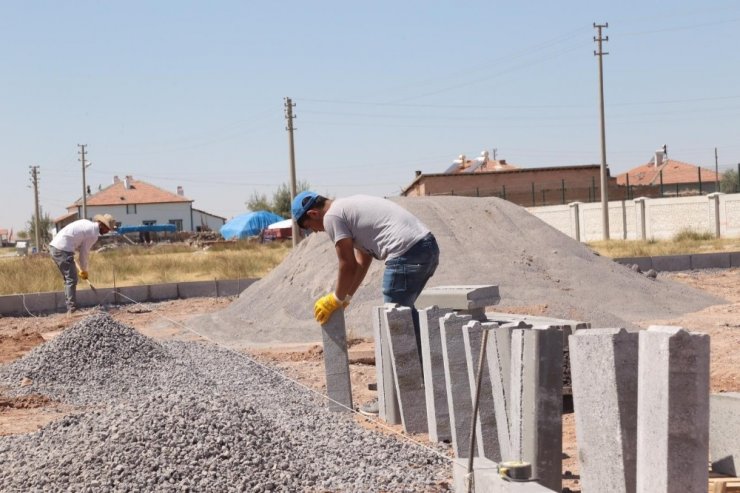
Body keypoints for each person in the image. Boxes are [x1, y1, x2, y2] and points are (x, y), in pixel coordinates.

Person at [291, 192, 439, 414]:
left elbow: (347, 264)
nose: (315, 231)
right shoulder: (347, 208)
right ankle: (425, 379)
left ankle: (396, 398)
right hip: (426, 248)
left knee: (396, 323)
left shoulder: (332, 217)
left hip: (406, 253)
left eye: (310, 226)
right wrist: (347, 296)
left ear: (313, 213)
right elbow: (363, 260)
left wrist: (336, 298)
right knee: (405, 317)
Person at [49, 214, 116, 313]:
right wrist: (84, 270)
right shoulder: (93, 234)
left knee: (68, 279)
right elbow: (83, 254)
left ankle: (70, 306)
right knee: (71, 279)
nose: (108, 231)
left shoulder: (86, 223)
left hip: (56, 246)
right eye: (108, 229)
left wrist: (72, 253)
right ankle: (71, 309)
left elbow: (75, 239)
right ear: (102, 225)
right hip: (62, 249)